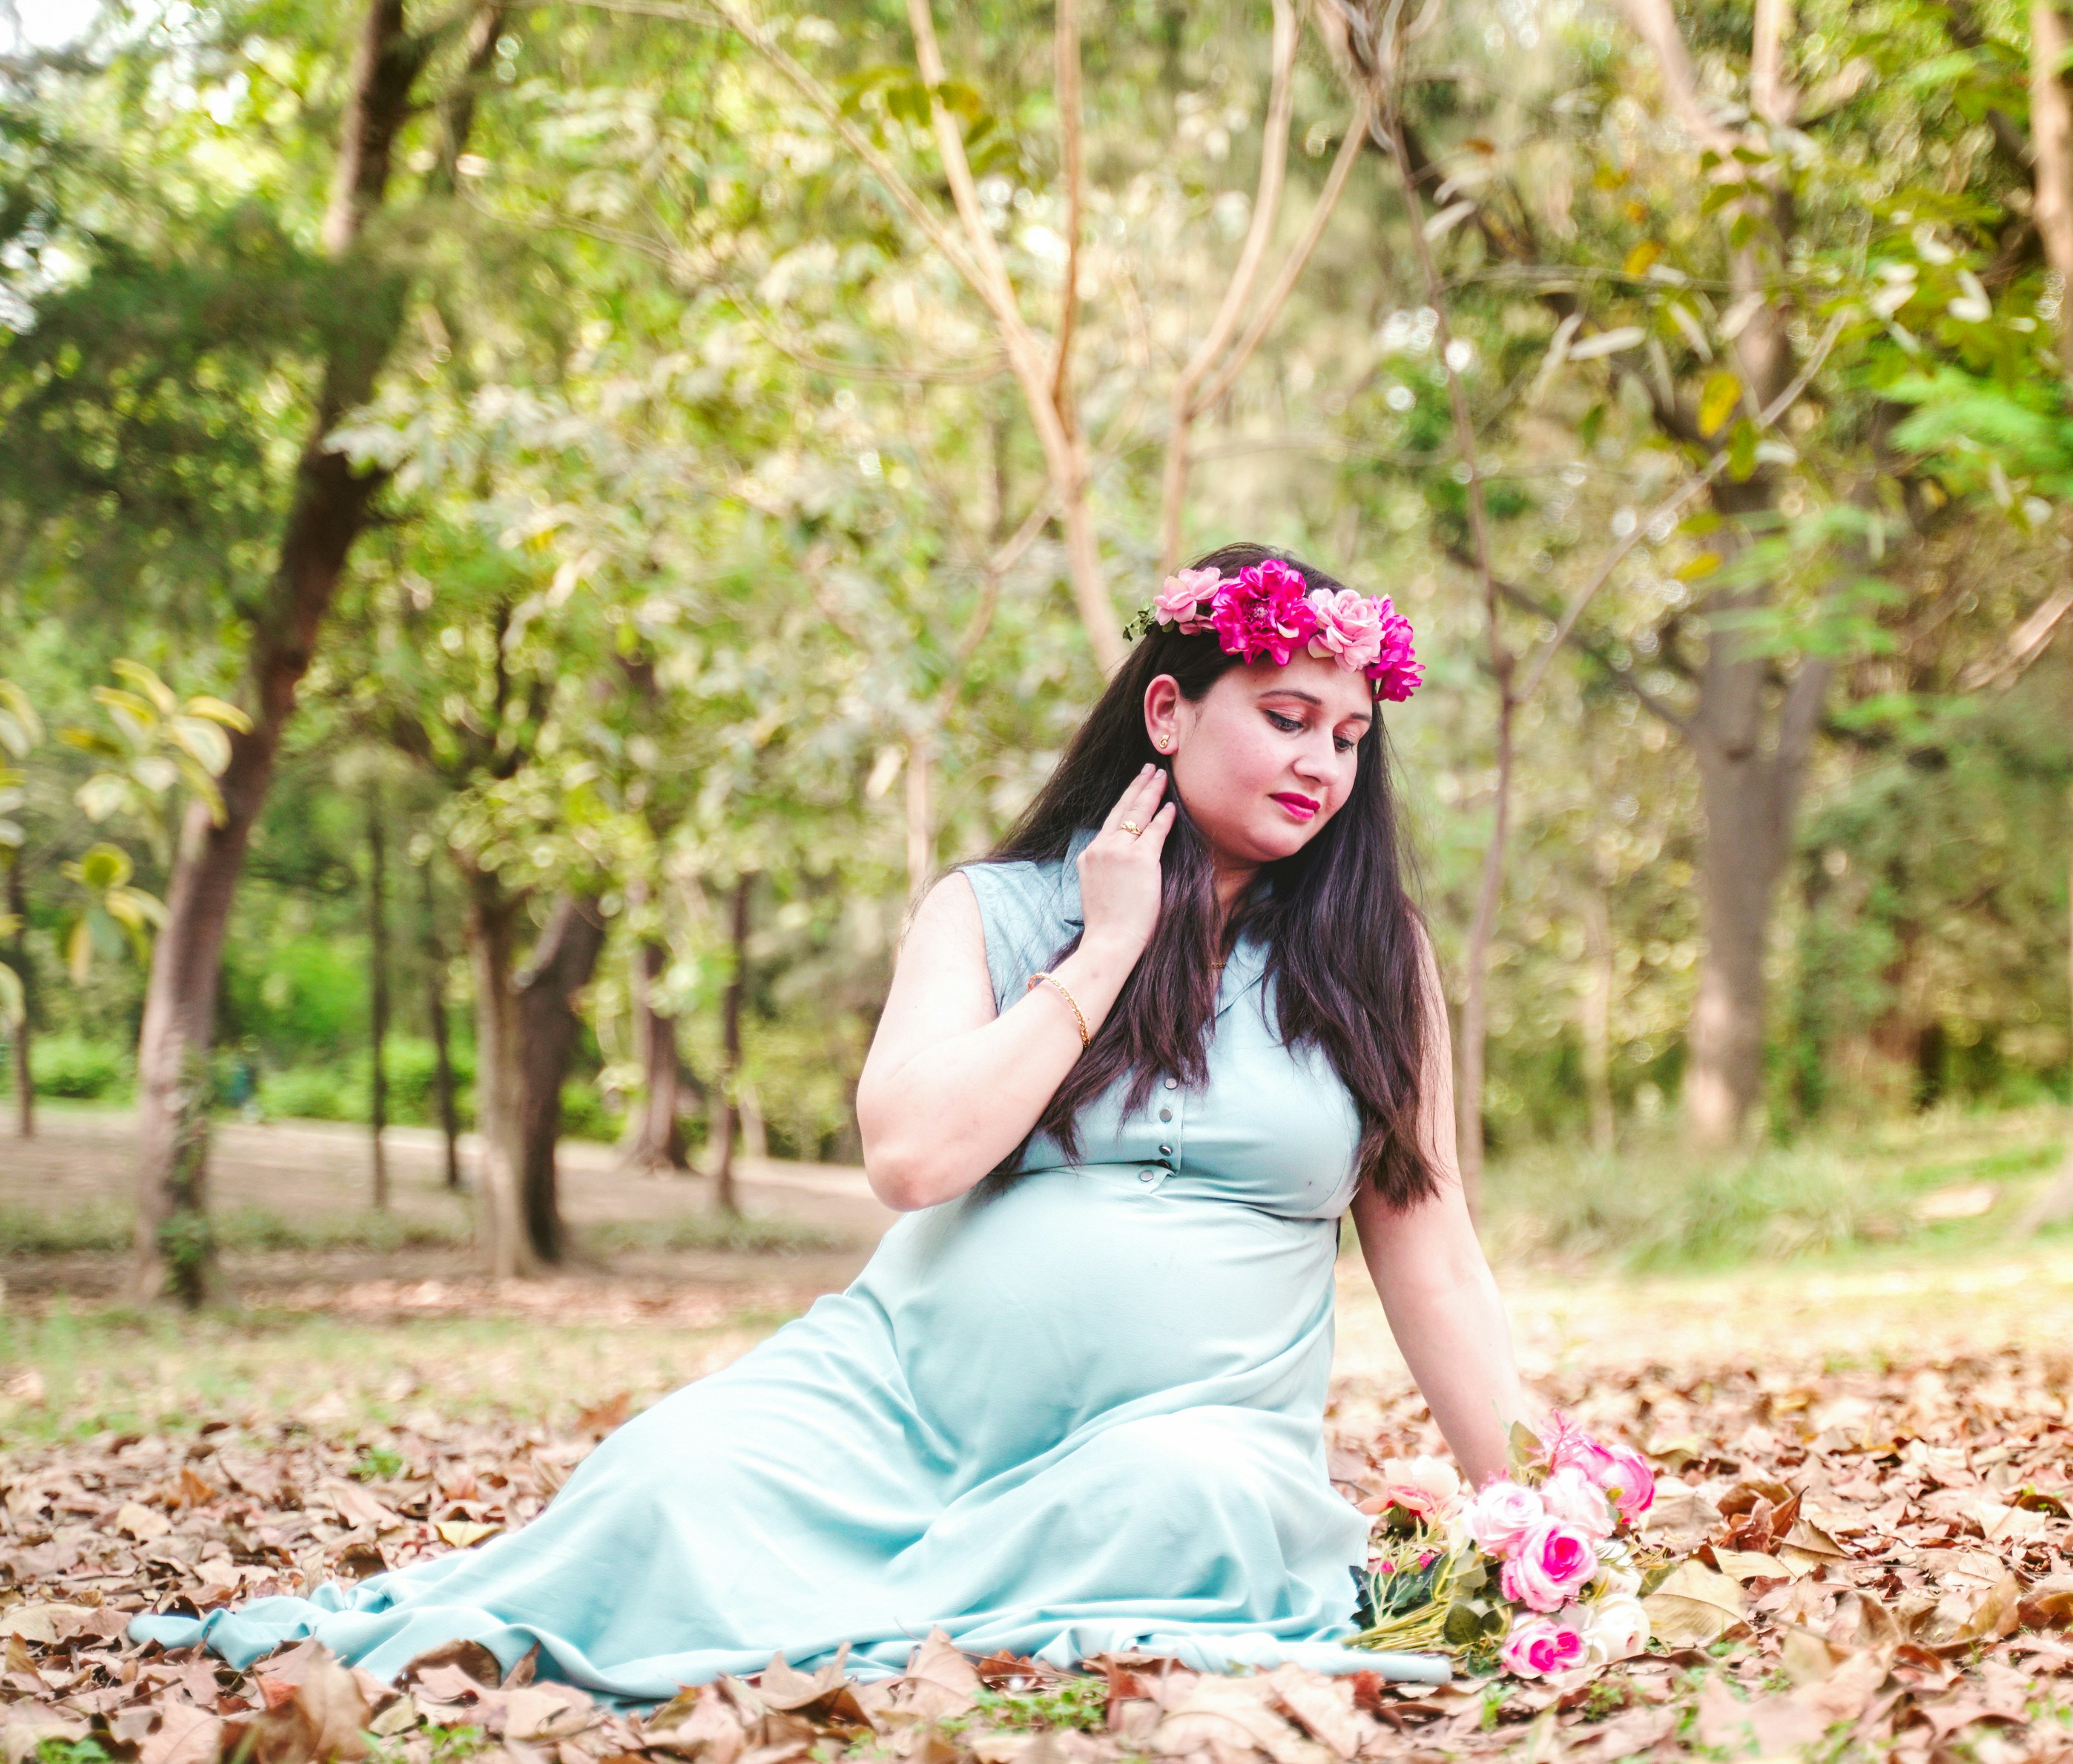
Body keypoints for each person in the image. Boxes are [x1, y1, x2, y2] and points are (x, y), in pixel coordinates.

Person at [132, 544, 1526, 1696]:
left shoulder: (1372, 962)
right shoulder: (995, 912)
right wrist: (1101, 956)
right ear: (1167, 712)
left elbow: (1436, 1253)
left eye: (1350, 737)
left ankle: (879, 1620)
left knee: (1183, 1509)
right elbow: (913, 1158)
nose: (1324, 767)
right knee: (663, 1481)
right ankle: (890, 1594)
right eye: (1285, 718)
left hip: (1183, 1436)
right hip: (891, 1408)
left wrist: (1531, 1502)